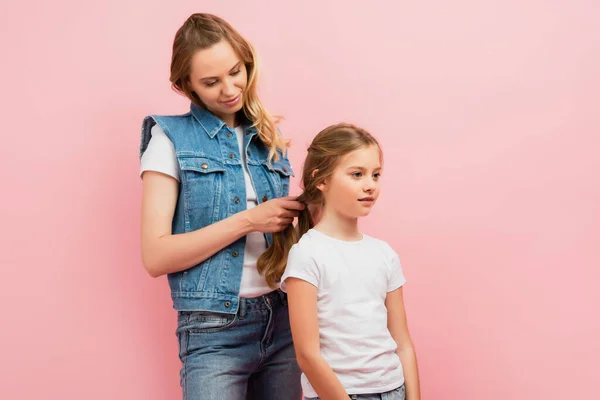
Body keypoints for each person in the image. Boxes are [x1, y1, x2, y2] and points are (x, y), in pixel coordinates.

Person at [138, 13, 303, 400]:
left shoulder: (268, 138)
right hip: (213, 330)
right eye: (211, 82)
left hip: (284, 321)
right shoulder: (168, 139)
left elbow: (286, 240)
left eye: (235, 72)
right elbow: (155, 256)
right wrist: (248, 220)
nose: (230, 89)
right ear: (185, 85)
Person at [265, 123, 422, 399]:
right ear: (321, 180)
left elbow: (403, 343)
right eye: (357, 174)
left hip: (393, 389)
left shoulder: (384, 253)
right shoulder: (307, 254)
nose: (370, 185)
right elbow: (307, 355)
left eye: (375, 175)